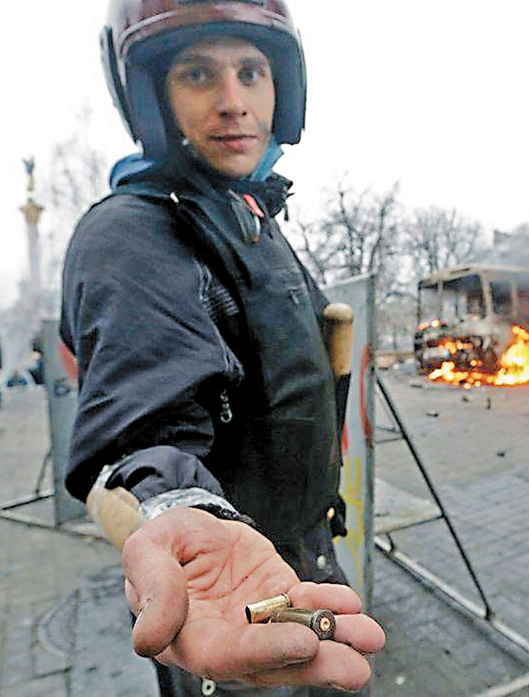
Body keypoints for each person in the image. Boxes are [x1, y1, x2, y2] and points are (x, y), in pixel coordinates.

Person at [59, 1, 384, 694]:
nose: (234, 101)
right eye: (199, 73)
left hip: (306, 561)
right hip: (228, 590)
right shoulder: (134, 235)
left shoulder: (252, 216)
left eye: (252, 71)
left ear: (282, 88)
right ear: (152, 95)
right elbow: (145, 422)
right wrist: (181, 511)